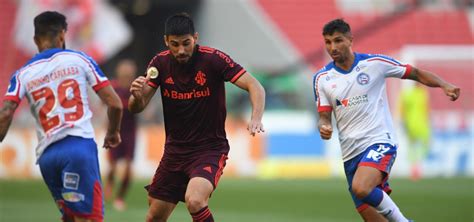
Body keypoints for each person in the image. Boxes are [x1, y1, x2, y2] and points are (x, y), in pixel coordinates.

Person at [313, 19, 460, 222]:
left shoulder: (375, 64)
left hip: (380, 141)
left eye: (338, 40)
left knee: (361, 187)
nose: (333, 47)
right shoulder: (322, 78)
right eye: (328, 42)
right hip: (350, 154)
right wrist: (324, 126)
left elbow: (415, 73)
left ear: (350, 40)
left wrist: (444, 85)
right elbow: (323, 116)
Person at [128, 13, 265, 222]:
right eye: (174, 44)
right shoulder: (160, 63)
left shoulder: (214, 59)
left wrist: (256, 117)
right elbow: (137, 107)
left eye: (186, 43)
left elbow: (254, 85)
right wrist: (136, 96)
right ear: (166, 41)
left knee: (195, 200)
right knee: (154, 215)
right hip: (174, 153)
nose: (181, 50)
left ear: (196, 37)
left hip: (209, 150)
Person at [0, 11, 123, 222]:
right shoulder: (79, 59)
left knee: (70, 218)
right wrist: (112, 133)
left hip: (48, 158)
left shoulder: (22, 74)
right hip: (77, 150)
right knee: (89, 218)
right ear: (63, 34)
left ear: (35, 39)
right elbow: (115, 104)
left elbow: (6, 113)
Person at [104, 59, 138, 211]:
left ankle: (119, 198)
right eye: (124, 70)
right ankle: (110, 183)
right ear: (119, 72)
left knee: (129, 168)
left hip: (130, 133)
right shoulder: (113, 87)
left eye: (128, 71)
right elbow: (105, 105)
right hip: (114, 130)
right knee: (112, 167)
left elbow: (142, 105)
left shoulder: (135, 88)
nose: (126, 73)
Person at [399, 82, 431, 180]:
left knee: (419, 146)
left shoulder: (421, 93)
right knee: (415, 147)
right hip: (414, 124)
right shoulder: (411, 94)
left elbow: (426, 109)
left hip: (419, 124)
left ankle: (417, 168)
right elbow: (403, 109)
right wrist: (404, 122)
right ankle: (415, 169)